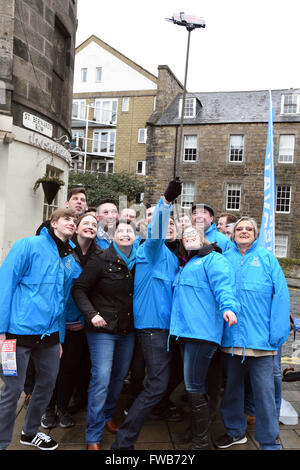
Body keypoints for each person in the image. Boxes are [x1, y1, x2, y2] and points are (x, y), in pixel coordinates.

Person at [111, 178, 182, 450]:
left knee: (170, 378)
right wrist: (166, 201)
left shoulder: (171, 257)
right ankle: (123, 442)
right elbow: (156, 232)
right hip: (153, 328)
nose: (168, 228)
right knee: (156, 385)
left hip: (169, 328)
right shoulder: (150, 251)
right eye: (165, 224)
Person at [0, 209, 78, 451]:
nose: (72, 223)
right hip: (17, 333)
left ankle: (30, 432)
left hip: (50, 336)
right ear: (53, 223)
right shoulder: (28, 245)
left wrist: (60, 338)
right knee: (12, 390)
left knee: (47, 384)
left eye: (75, 220)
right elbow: (5, 283)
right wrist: (1, 331)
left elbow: (63, 300)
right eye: (67, 218)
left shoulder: (69, 257)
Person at [214, 217, 290, 450]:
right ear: (233, 233)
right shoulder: (224, 259)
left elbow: (281, 297)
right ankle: (235, 432)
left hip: (262, 342)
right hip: (231, 339)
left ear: (255, 235)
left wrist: (275, 336)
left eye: (249, 229)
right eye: (239, 229)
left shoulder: (267, 259)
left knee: (265, 396)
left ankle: (269, 442)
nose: (244, 232)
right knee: (232, 392)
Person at [169, 225, 238, 450]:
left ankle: (201, 442)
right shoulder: (190, 262)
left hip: (202, 334)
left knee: (194, 387)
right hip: (186, 333)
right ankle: (195, 433)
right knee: (196, 387)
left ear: (203, 238)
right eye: (185, 235)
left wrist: (228, 308)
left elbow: (224, 287)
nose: (188, 237)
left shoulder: (213, 259)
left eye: (193, 234)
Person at [72, 219, 137, 450]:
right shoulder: (100, 259)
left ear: (136, 236)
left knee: (119, 378)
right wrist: (91, 314)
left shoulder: (138, 262)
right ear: (112, 235)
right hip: (102, 330)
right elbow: (79, 289)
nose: (126, 234)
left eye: (130, 230)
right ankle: (93, 435)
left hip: (127, 331)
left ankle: (108, 415)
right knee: (101, 378)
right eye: (121, 230)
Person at [41, 213, 99, 429]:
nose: (89, 227)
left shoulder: (100, 254)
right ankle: (48, 409)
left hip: (79, 325)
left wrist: (83, 321)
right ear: (76, 228)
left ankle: (63, 407)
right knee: (50, 369)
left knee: (70, 369)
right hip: (56, 322)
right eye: (86, 223)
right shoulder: (63, 250)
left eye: (94, 224)